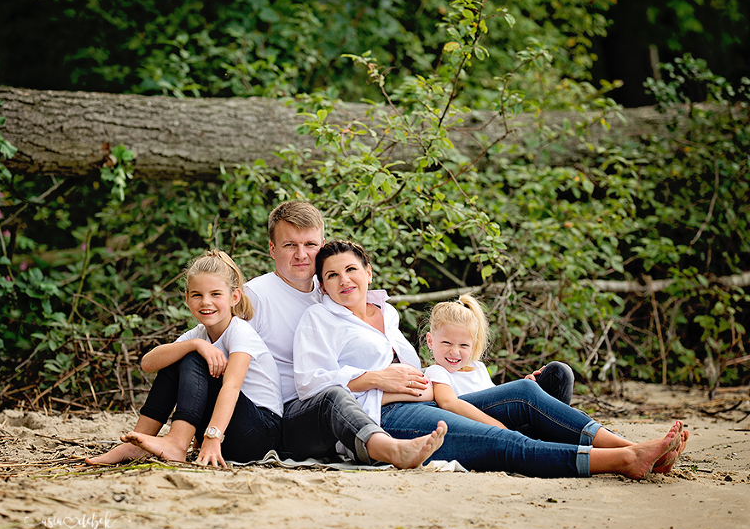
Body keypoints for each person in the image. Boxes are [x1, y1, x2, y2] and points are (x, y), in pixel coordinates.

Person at [293, 239, 688, 478]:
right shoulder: (319, 318)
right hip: (388, 416)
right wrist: (375, 378)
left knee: (524, 394)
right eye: (331, 276)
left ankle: (631, 445)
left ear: (368, 273)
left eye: (351, 270)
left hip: (432, 397)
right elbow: (310, 384)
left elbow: (443, 374)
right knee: (502, 441)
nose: (344, 280)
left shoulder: (389, 315)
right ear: (323, 286)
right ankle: (623, 460)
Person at [244, 201, 446, 468]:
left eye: (310, 245)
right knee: (333, 396)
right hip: (285, 416)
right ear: (272, 248)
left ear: (322, 244)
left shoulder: (331, 288)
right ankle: (388, 450)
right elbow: (213, 341)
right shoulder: (256, 295)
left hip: (350, 413)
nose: (301, 255)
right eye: (290, 245)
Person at [424, 294, 689, 472]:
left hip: (507, 424)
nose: (454, 352)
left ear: (474, 345)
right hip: (485, 430)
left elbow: (494, 397)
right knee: (526, 392)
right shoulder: (436, 371)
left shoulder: (479, 368)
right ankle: (630, 448)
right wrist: (499, 424)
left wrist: (520, 390)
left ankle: (643, 453)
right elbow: (448, 403)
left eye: (463, 345)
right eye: (446, 343)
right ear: (430, 342)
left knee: (558, 374)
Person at [88, 250, 283, 467]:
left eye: (216, 294)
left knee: (192, 358)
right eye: (197, 295)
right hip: (229, 430)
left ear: (234, 297)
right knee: (178, 355)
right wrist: (195, 344)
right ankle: (136, 444)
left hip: (259, 433)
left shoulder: (240, 332)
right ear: (187, 298)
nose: (205, 302)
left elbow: (231, 387)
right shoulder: (198, 335)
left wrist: (212, 436)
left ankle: (177, 443)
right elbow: (148, 364)